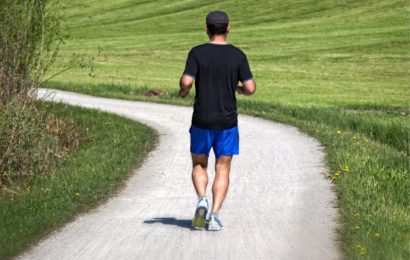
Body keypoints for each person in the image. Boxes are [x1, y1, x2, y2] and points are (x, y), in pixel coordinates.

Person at [179, 10, 256, 231]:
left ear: (206, 29)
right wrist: (238, 87)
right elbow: (250, 88)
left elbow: (186, 80)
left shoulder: (197, 53)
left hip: (202, 120)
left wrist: (184, 91)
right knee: (223, 168)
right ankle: (213, 215)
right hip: (227, 122)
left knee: (199, 164)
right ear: (228, 28)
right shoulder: (237, 55)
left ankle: (201, 198)